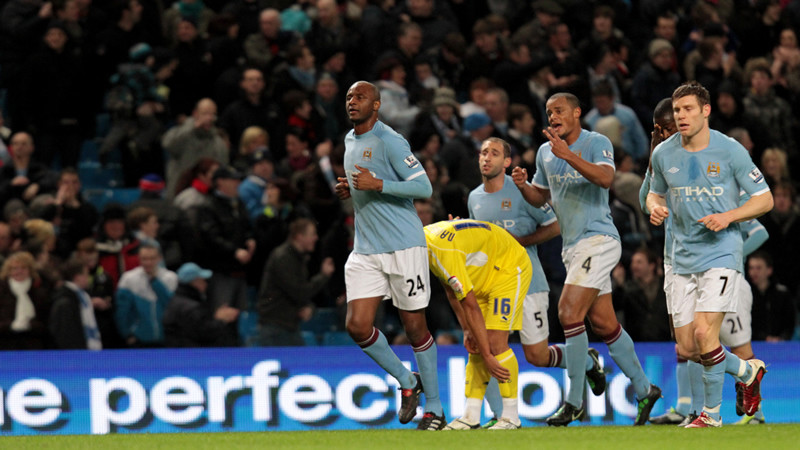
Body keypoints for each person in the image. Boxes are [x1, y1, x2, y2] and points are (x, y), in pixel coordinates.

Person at [511, 92, 661, 426]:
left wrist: (568, 155)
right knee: (605, 324)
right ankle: (645, 388)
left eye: (559, 111)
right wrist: (523, 187)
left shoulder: (596, 142)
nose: (553, 117)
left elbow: (606, 179)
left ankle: (574, 401)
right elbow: (540, 198)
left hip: (599, 239)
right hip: (573, 247)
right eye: (549, 112)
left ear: (577, 113)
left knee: (567, 312)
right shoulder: (544, 153)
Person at [646, 82, 772, 428]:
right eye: (677, 110)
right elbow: (652, 194)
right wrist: (655, 207)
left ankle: (710, 415)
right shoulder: (663, 153)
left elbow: (765, 199)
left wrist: (729, 216)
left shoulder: (730, 151)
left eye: (688, 109)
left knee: (705, 334)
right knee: (687, 347)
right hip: (678, 257)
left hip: (720, 252)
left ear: (706, 111)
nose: (681, 116)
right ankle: (748, 371)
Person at [464, 137, 605, 428]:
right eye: (482, 152)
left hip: (528, 283)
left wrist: (522, 242)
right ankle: (499, 416)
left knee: (537, 357)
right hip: (493, 287)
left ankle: (588, 361)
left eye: (493, 153)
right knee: (486, 347)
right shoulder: (474, 198)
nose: (486, 158)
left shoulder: (521, 194)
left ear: (506, 162)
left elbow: (556, 225)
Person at [334, 81, 444, 430]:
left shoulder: (391, 140)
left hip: (403, 247)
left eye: (360, 97)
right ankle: (407, 380)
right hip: (366, 248)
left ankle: (437, 409)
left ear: (377, 105)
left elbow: (423, 187)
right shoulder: (350, 140)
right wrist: (350, 188)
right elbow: (364, 183)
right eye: (350, 97)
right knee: (357, 325)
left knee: (415, 329)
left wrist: (378, 184)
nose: (353, 102)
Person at [423, 219, 529, 430]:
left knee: (495, 344)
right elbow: (450, 289)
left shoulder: (439, 250)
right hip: (479, 275)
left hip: (507, 268)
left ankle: (511, 417)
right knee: (476, 346)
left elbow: (469, 305)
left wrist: (489, 357)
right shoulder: (425, 243)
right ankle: (470, 416)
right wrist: (466, 329)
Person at [257, 218, 334, 346]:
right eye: (312, 234)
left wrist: (309, 307)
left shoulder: (298, 257)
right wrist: (323, 276)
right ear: (299, 237)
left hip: (288, 326)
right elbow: (299, 292)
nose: (316, 238)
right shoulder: (283, 258)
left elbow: (297, 292)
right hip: (275, 329)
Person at [163, 262, 240, 347]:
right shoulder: (190, 307)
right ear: (195, 282)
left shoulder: (178, 300)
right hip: (191, 355)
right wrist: (221, 320)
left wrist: (216, 317)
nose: (206, 284)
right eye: (203, 280)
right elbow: (204, 334)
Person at [114, 243, 177, 348]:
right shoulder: (128, 279)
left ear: (159, 258)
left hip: (166, 339)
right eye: (144, 259)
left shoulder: (170, 278)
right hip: (139, 340)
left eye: (152, 258)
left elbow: (171, 307)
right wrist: (127, 334)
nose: (148, 263)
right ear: (139, 259)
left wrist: (155, 282)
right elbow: (122, 312)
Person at [49, 259, 103, 350]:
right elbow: (65, 336)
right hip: (74, 358)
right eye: (86, 274)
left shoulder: (81, 299)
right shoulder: (66, 303)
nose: (88, 277)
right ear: (78, 277)